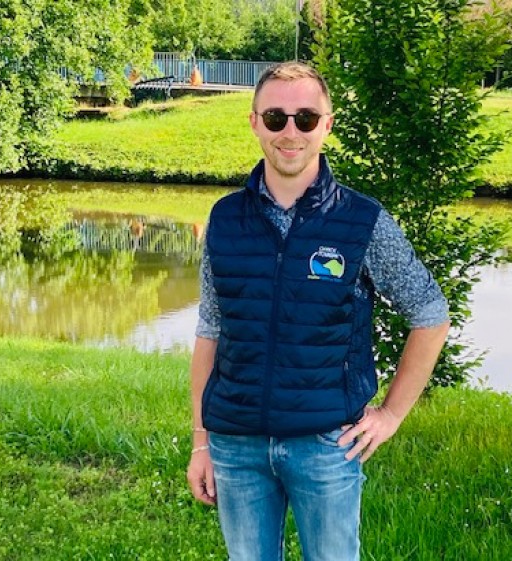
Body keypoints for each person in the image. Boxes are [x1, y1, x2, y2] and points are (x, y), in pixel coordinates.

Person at [186, 61, 450, 561]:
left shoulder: (362, 220)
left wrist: (391, 415)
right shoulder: (224, 218)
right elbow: (210, 330)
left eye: (305, 118)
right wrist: (202, 442)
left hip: (327, 444)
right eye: (276, 117)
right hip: (236, 445)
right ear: (255, 123)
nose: (291, 132)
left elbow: (430, 314)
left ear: (326, 125)